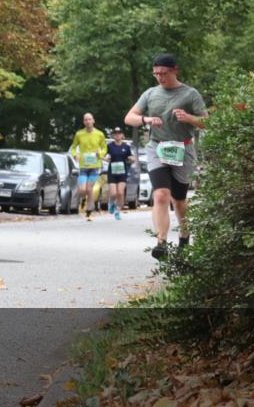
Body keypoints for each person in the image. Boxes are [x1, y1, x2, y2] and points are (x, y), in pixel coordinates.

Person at [124, 53, 207, 259]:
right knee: (160, 195)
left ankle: (184, 233)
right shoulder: (151, 93)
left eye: (164, 73)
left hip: (183, 150)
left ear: (175, 71)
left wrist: (188, 118)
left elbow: (207, 122)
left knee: (179, 200)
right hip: (157, 148)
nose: (160, 77)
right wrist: (146, 119)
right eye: (156, 74)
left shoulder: (190, 94)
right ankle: (161, 241)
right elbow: (129, 118)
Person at [69, 113, 107, 221]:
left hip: (95, 166)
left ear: (93, 121)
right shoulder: (79, 134)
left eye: (89, 119)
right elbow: (73, 147)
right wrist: (75, 155)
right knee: (82, 190)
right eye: (86, 120)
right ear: (83, 122)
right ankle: (83, 200)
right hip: (84, 167)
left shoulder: (99, 134)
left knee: (89, 189)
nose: (88, 121)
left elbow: (104, 148)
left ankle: (89, 211)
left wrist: (101, 154)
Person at [105, 127, 135, 220]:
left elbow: (132, 157)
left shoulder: (126, 146)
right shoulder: (109, 146)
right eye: (115, 133)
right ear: (113, 135)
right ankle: (111, 203)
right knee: (113, 193)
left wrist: (132, 159)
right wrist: (105, 158)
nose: (117, 135)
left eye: (119, 133)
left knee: (120, 193)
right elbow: (104, 156)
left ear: (122, 135)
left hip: (122, 172)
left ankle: (118, 210)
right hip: (112, 172)